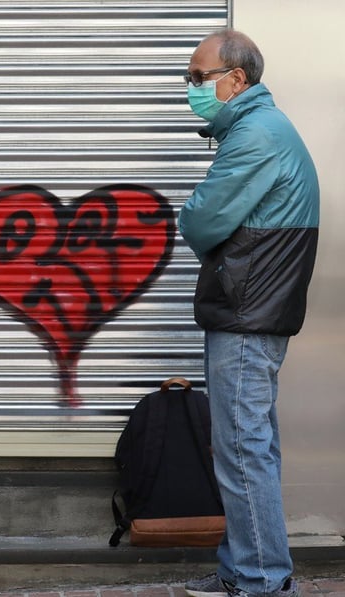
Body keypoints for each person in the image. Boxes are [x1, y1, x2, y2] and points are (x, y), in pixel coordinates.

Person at [177, 30, 319, 597]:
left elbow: (200, 222)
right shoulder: (261, 129)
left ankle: (260, 580)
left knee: (243, 450)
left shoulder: (255, 135)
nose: (191, 89)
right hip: (252, 311)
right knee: (246, 447)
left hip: (245, 315)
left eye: (199, 77)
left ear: (236, 79)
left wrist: (191, 211)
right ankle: (244, 569)